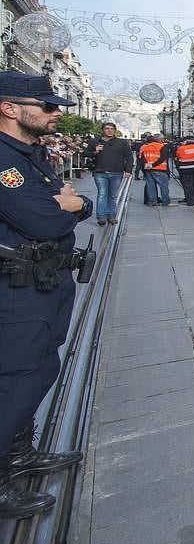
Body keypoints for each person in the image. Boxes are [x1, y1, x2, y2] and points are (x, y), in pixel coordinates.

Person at [0, 73, 92, 518]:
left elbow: (72, 205)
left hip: (45, 280)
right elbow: (47, 220)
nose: (56, 112)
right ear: (9, 108)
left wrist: (71, 206)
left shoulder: (31, 155)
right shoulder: (4, 159)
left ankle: (18, 452)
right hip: (16, 288)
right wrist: (67, 207)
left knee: (37, 370)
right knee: (14, 378)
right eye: (47, 104)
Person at [84, 121, 133, 225]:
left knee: (113, 195)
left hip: (116, 172)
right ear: (103, 130)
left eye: (111, 129)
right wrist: (95, 151)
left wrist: (128, 170)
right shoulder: (95, 141)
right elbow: (85, 153)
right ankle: (101, 216)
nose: (109, 130)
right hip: (100, 172)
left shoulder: (122, 142)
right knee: (102, 194)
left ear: (115, 131)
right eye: (107, 128)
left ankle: (111, 215)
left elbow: (129, 157)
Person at [139, 133, 172, 207]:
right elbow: (162, 158)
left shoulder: (146, 147)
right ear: (160, 139)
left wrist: (147, 165)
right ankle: (166, 201)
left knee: (151, 187)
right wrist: (152, 165)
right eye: (162, 139)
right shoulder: (162, 146)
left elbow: (142, 158)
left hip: (148, 170)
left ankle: (152, 202)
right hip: (160, 169)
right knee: (164, 186)